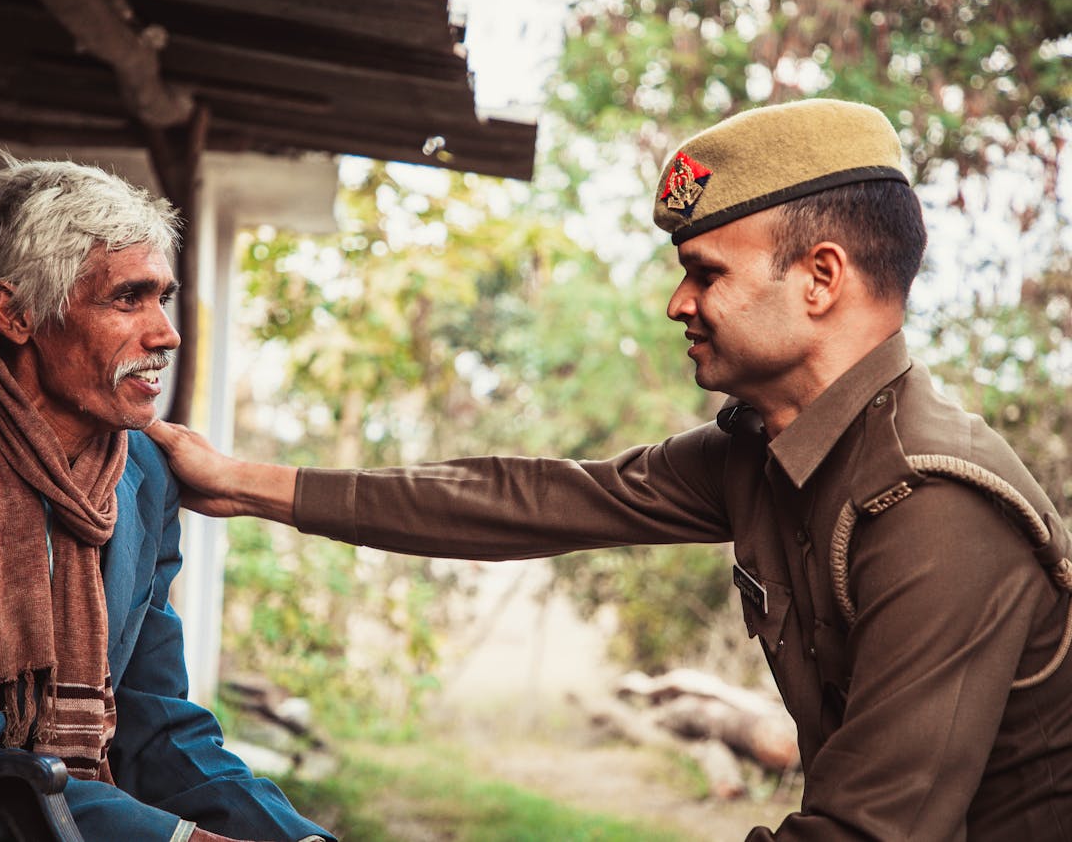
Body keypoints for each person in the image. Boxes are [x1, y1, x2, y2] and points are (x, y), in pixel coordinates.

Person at [147, 98, 1072, 840]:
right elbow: (535, 499)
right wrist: (243, 484)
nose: (679, 302)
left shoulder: (937, 505)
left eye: (704, 273)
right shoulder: (763, 451)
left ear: (820, 279)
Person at [0, 153, 332, 842]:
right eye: (126, 298)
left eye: (161, 298)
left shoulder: (144, 476)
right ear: (16, 313)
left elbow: (154, 723)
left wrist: (297, 837)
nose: (165, 332)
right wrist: (176, 839)